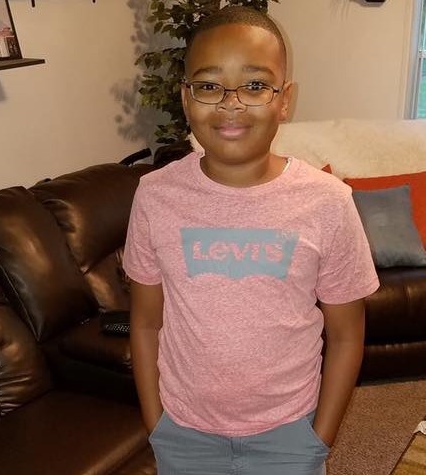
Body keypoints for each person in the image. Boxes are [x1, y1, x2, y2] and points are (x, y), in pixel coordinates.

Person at [123, 6, 379, 474]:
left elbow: (347, 335)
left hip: (290, 434)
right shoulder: (154, 196)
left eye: (256, 85)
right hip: (183, 433)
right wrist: (156, 424)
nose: (231, 104)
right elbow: (144, 324)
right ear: (186, 98)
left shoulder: (328, 202)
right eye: (209, 86)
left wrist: (318, 440)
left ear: (285, 100)